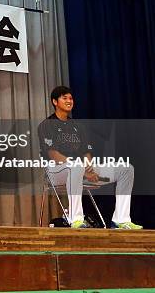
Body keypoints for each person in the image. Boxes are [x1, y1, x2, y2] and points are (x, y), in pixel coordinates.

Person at [38, 86, 142, 229]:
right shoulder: (46, 125)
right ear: (55, 102)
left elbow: (86, 152)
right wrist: (81, 168)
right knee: (76, 166)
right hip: (56, 172)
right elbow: (53, 155)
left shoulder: (78, 126)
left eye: (71, 98)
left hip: (80, 170)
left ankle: (121, 219)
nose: (69, 101)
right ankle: (76, 219)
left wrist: (89, 168)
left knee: (126, 169)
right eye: (64, 98)